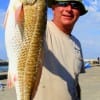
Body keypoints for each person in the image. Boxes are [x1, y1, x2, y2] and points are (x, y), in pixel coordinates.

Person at [34, 0, 87, 100]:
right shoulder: (39, 30)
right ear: (53, 7)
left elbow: (75, 82)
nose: (69, 9)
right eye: (63, 4)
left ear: (79, 13)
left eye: (75, 6)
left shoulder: (77, 43)